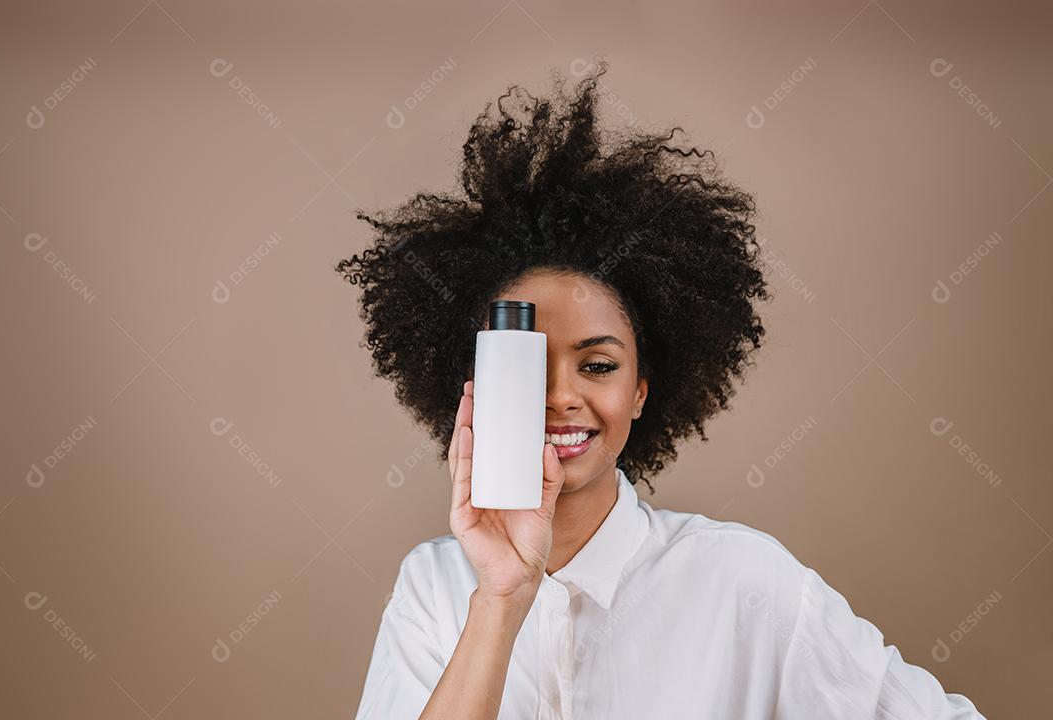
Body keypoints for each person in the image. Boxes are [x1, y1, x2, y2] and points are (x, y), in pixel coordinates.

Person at [335, 61, 987, 719]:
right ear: (473, 387)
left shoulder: (743, 580)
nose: (561, 396)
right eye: (530, 368)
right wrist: (500, 599)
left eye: (598, 366)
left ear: (643, 393)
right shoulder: (435, 584)